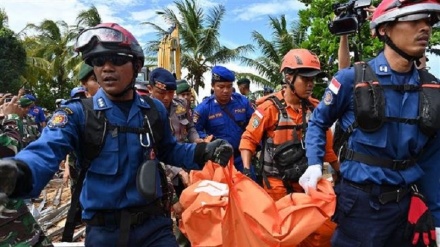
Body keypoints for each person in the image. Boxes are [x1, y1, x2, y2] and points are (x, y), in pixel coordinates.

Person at [0, 22, 233, 246]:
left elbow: (169, 150)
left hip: (155, 228)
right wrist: (19, 171)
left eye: (117, 60)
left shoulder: (153, 111)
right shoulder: (78, 114)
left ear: (137, 66)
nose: (107, 68)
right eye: (99, 61)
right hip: (104, 234)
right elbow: (45, 150)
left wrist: (204, 151)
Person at [299, 1, 440, 246]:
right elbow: (318, 122)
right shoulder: (352, 79)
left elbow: (433, 157)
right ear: (384, 29)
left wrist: (437, 216)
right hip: (361, 207)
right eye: (414, 20)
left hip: (408, 207)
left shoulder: (431, 89)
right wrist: (314, 163)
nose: (425, 28)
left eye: (428, 21)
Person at [240, 49, 339, 247]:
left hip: (306, 181)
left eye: (313, 79)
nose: (311, 84)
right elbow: (248, 140)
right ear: (288, 77)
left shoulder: (315, 110)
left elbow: (327, 148)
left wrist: (339, 173)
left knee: (321, 231)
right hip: (276, 185)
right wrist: (246, 171)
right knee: (280, 235)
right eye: (305, 79)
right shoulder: (269, 109)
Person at [193, 65, 254, 173]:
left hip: (242, 158)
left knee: (249, 186)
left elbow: (254, 124)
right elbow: (195, 130)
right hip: (218, 160)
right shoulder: (204, 108)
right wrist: (207, 139)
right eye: (221, 87)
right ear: (213, 86)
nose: (225, 91)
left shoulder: (242, 102)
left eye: (229, 86)